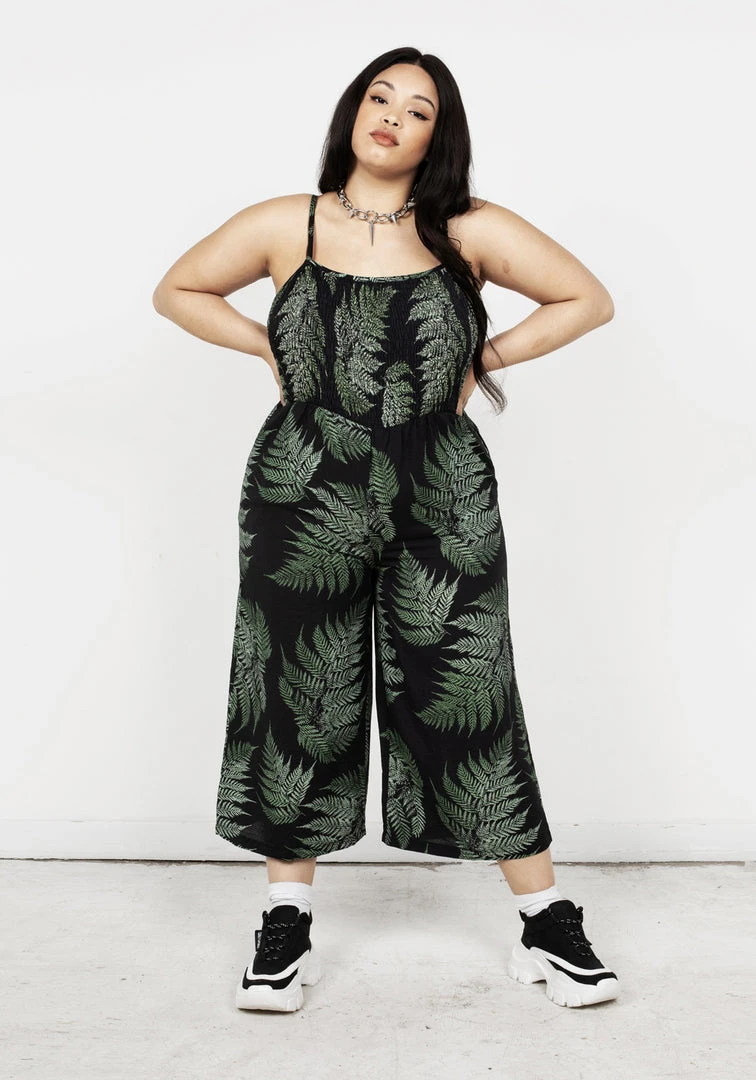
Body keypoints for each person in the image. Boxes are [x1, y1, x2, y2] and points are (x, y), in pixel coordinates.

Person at [153, 46, 619, 1014]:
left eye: (418, 109)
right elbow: (179, 290)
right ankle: (285, 922)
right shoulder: (288, 222)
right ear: (353, 110)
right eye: (380, 97)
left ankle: (545, 918)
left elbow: (588, 299)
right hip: (303, 480)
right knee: (297, 688)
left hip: (441, 483)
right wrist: (271, 348)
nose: (393, 117)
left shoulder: (468, 228)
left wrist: (480, 359)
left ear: (438, 136)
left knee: (468, 687)